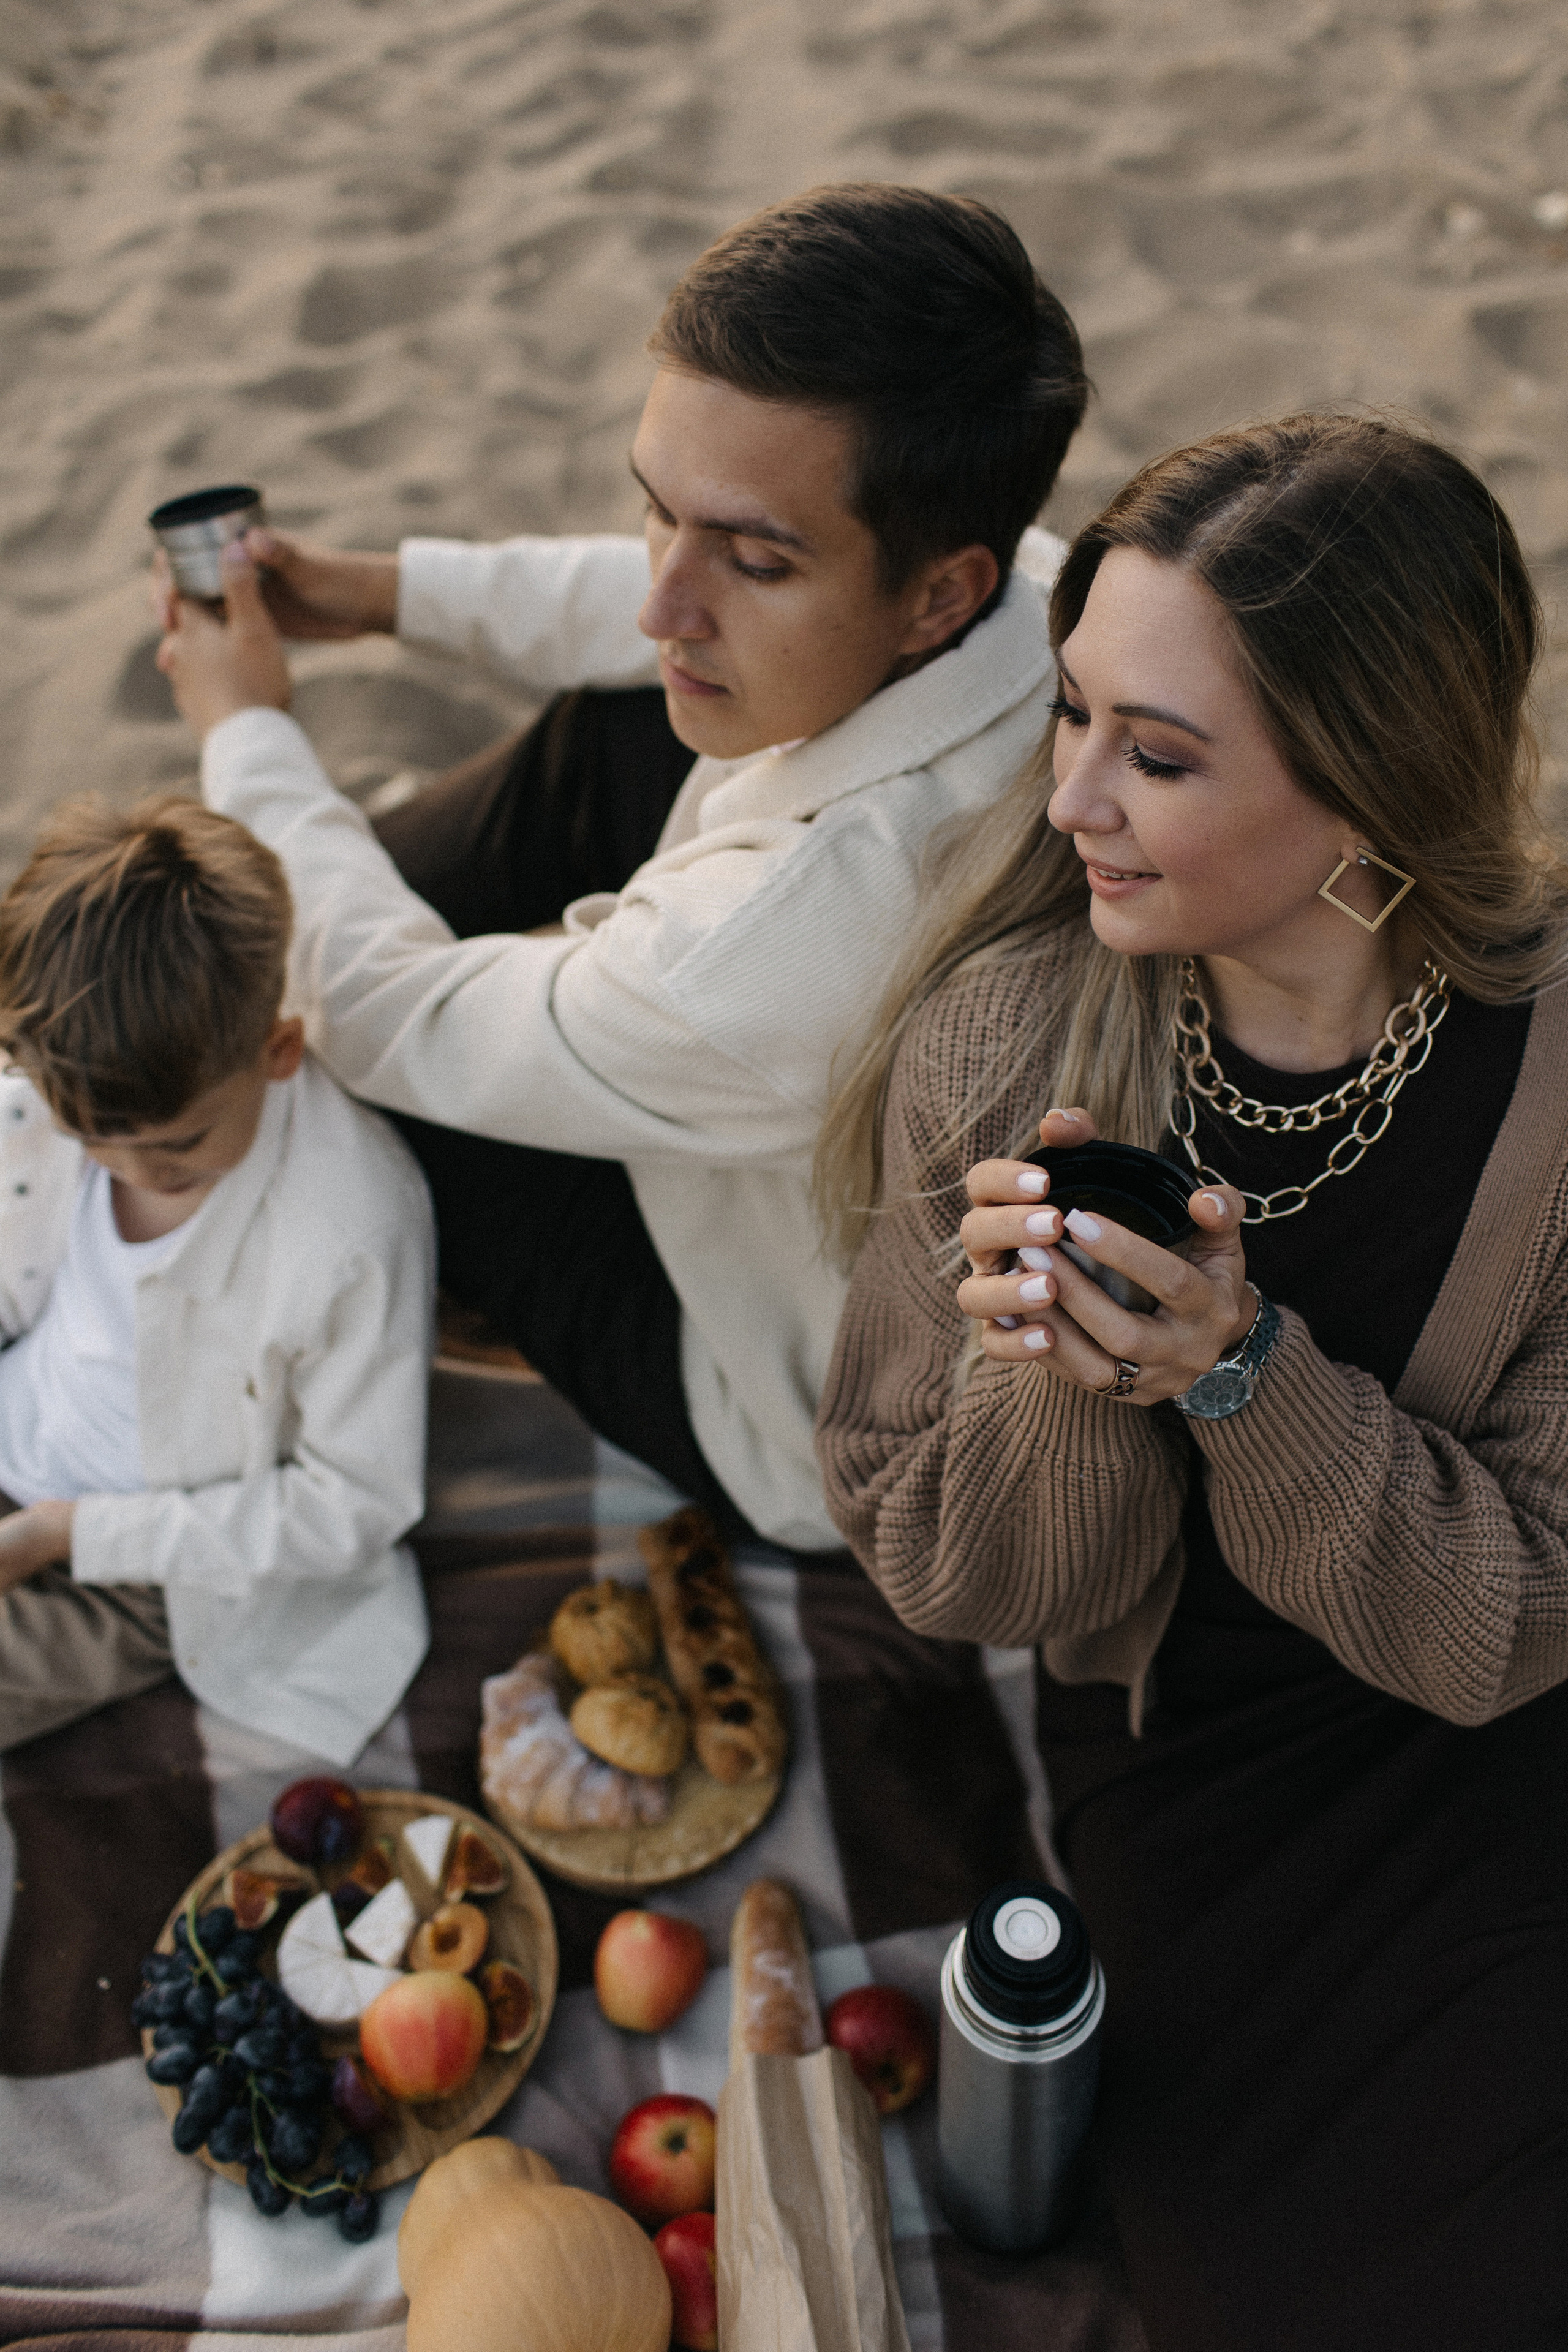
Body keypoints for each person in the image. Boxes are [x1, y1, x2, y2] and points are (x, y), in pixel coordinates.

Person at [813, 415, 1568, 2346]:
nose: (1070, 801)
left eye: (1154, 755)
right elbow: (963, 1580)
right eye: (1072, 717)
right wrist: (1061, 1373)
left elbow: (1501, 1632)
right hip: (1216, 1769)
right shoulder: (1005, 1044)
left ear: (1372, 785)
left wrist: (1244, 1376)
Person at [151, 182, 1090, 1555]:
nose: (667, 595)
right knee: (623, 710)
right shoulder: (1036, 596)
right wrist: (382, 591)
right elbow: (667, 588)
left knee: (338, 1066)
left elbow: (391, 1014)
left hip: (775, 1397)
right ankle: (243, 941)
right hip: (791, 1089)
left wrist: (246, 728)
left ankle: (209, 988)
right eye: (660, 511)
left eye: (755, 559)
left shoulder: (772, 948)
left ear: (937, 590)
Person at [0, 796, 433, 1765]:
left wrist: (61, 1536)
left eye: (178, 1145)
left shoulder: (350, 1228)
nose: (132, 1172)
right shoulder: (59, 1091)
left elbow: (355, 1505)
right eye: (90, 1140)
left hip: (149, 1569)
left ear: (278, 1050)